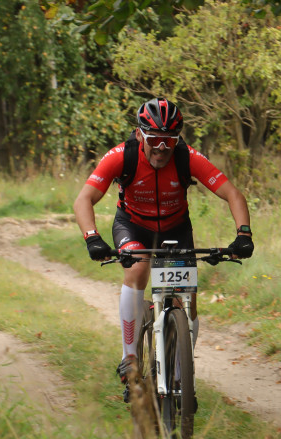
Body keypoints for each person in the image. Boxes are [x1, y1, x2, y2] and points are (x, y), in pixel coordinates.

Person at [73, 97, 253, 401]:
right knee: (139, 268)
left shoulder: (187, 157)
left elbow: (231, 193)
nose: (161, 148)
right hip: (133, 226)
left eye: (169, 140)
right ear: (140, 134)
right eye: (154, 139)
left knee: (188, 301)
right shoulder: (122, 155)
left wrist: (243, 233)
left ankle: (183, 379)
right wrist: (92, 237)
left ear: (178, 139)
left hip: (176, 228)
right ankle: (130, 358)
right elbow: (84, 199)